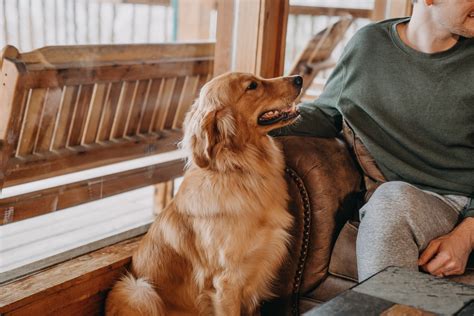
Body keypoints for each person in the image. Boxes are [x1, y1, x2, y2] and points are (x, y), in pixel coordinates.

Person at [273, 0, 474, 281]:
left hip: (460, 202)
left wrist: (467, 234)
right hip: (403, 199)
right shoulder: (369, 46)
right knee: (390, 200)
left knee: (389, 202)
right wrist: (257, 119)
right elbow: (327, 111)